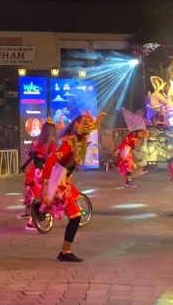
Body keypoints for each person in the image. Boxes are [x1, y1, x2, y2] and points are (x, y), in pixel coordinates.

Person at [35, 111, 105, 262]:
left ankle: (43, 208)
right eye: (85, 124)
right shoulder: (68, 143)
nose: (88, 127)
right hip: (59, 181)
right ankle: (65, 252)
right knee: (75, 216)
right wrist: (46, 183)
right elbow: (50, 161)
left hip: (66, 179)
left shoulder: (80, 141)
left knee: (74, 200)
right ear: (76, 126)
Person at [20, 118, 58, 229]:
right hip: (42, 171)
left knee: (35, 194)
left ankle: (33, 216)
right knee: (43, 195)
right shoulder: (51, 143)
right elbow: (52, 159)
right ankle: (33, 220)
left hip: (34, 170)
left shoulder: (39, 142)